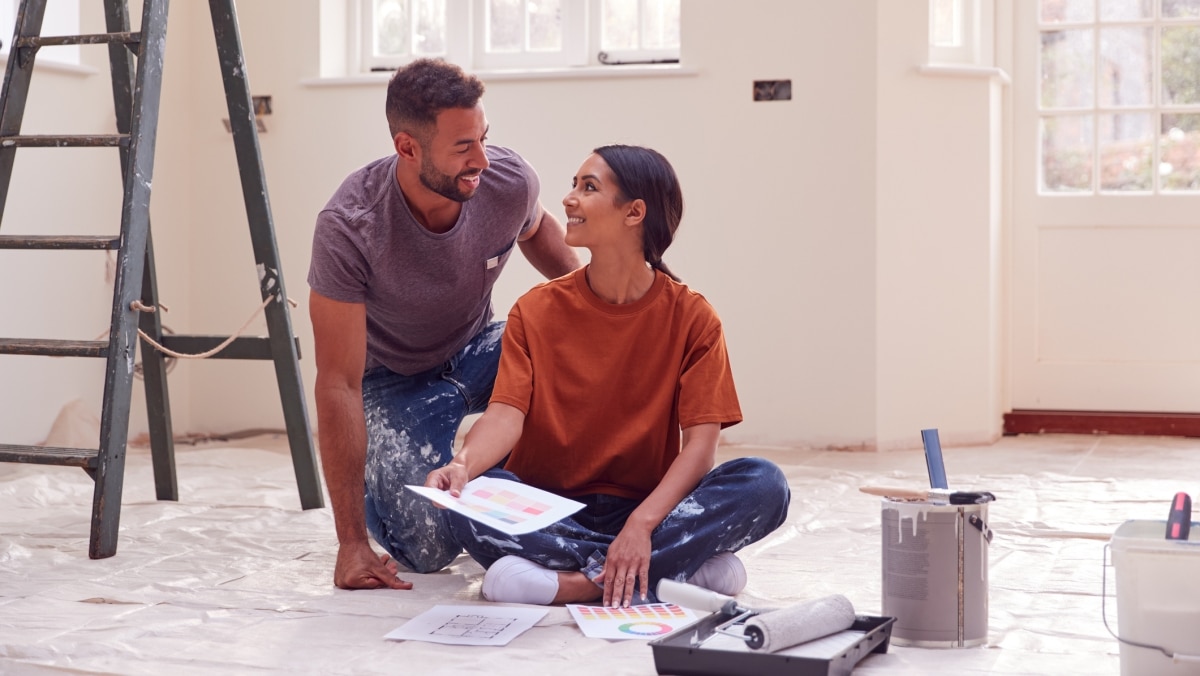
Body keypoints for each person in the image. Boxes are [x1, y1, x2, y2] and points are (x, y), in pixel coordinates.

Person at [425, 145, 790, 607]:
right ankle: (671, 571)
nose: (568, 199)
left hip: (647, 510)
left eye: (588, 187)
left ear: (634, 212)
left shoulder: (694, 318)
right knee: (471, 503)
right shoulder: (536, 309)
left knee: (764, 483)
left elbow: (700, 447)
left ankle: (578, 583)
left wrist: (640, 526)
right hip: (546, 506)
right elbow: (504, 415)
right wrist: (462, 466)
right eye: (575, 185)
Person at [307, 58, 581, 591]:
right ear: (407, 147)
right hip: (392, 383)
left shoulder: (507, 182)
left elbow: (557, 257)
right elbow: (337, 383)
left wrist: (625, 316)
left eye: (483, 137)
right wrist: (350, 544)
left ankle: (537, 486)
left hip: (480, 350)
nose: (481, 158)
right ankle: (392, 486)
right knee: (427, 550)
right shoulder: (349, 228)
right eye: (462, 147)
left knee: (580, 338)